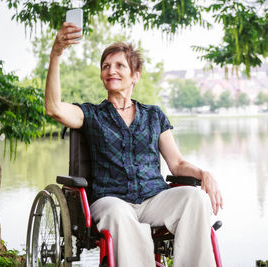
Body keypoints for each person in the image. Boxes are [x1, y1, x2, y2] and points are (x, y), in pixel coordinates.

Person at [45, 22, 223, 267]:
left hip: (154, 199)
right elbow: (53, 108)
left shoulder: (154, 115)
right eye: (106, 66)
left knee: (196, 198)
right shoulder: (91, 114)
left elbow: (177, 163)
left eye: (120, 65)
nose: (111, 71)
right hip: (111, 200)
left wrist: (204, 174)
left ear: (135, 76)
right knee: (119, 213)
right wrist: (56, 53)